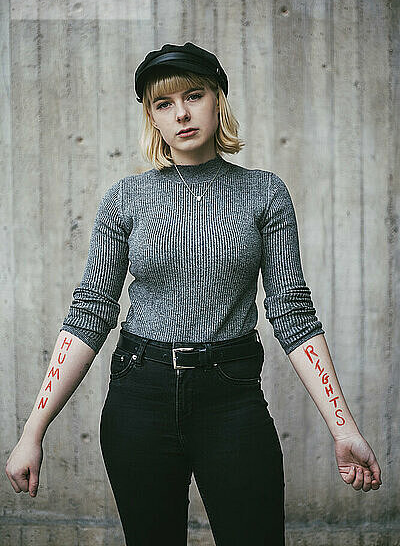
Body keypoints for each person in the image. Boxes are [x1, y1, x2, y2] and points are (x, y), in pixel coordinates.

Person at [6, 42, 382, 546]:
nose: (181, 113)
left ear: (217, 100)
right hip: (140, 397)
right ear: (152, 118)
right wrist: (33, 431)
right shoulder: (127, 198)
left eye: (194, 95)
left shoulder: (264, 192)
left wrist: (343, 428)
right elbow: (91, 312)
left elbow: (292, 312)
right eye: (163, 104)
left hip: (231, 398)